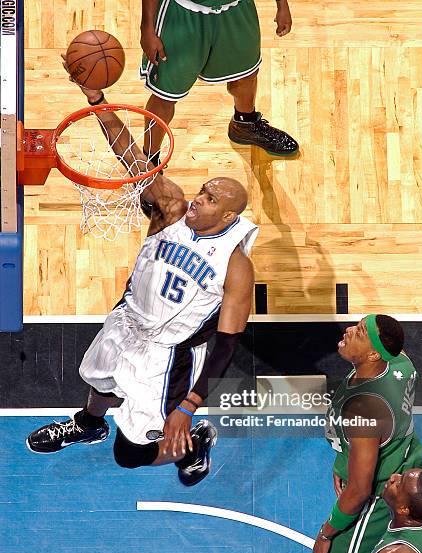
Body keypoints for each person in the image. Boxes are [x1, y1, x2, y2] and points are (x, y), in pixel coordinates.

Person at [26, 72, 259, 488]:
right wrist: (97, 97)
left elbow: (227, 343)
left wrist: (190, 405)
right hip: (125, 322)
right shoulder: (171, 209)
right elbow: (130, 156)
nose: (197, 201)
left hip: (166, 357)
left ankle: (192, 444)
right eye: (202, 192)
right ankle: (88, 424)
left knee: (129, 455)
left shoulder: (236, 264)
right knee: (99, 382)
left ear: (228, 217)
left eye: (209, 201)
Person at [305, 315, 422, 553]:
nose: (348, 330)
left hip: (374, 500)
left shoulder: (363, 407)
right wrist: (345, 459)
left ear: (374, 354)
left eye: (359, 332)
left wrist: (326, 533)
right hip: (409, 469)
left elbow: (360, 490)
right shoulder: (400, 364)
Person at [135, 0, 298, 158]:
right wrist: (147, 28)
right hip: (183, 14)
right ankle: (150, 160)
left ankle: (245, 125)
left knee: (246, 75)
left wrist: (282, 5)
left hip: (237, 7)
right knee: (165, 95)